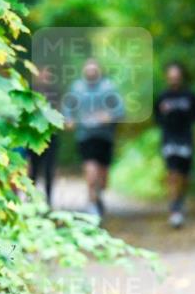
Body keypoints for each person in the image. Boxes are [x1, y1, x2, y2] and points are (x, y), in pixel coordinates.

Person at [62, 58, 125, 218]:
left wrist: (109, 116)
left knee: (102, 179)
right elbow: (67, 107)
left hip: (104, 137)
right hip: (85, 136)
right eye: (88, 69)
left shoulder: (108, 87)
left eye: (94, 69)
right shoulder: (77, 88)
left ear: (99, 71)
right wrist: (68, 119)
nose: (91, 72)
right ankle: (92, 205)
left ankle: (98, 197)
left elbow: (120, 110)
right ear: (84, 71)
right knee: (91, 172)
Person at [154, 62, 195, 228]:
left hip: (186, 138)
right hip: (169, 138)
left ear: (181, 77)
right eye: (171, 77)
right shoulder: (162, 97)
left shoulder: (190, 96)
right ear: (167, 78)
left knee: (184, 176)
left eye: (176, 76)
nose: (174, 79)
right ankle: (174, 209)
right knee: (173, 173)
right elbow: (156, 119)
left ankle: (180, 200)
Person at [29, 65, 61, 208]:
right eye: (43, 73)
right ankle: (32, 198)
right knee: (34, 169)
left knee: (49, 169)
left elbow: (59, 113)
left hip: (50, 137)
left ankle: (48, 199)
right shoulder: (30, 91)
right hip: (33, 136)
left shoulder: (55, 93)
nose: (45, 77)